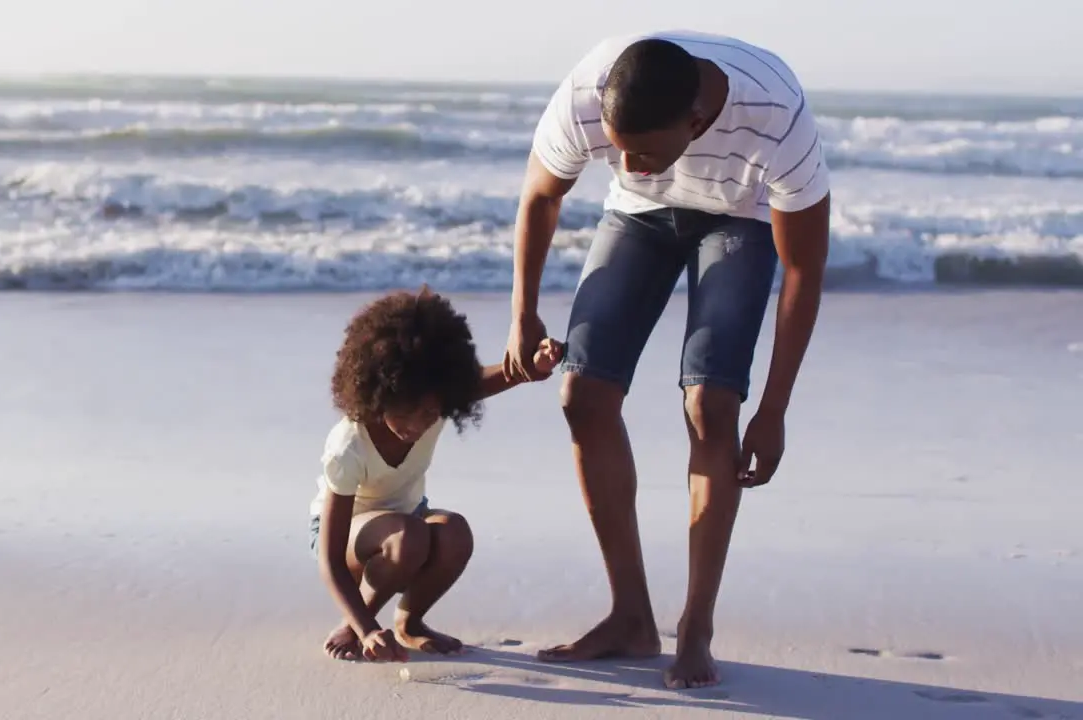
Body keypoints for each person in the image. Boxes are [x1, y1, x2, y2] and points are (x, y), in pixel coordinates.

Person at [502, 31, 831, 689]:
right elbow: (542, 196)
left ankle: (697, 627)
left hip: (740, 221)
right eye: (620, 152)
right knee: (582, 394)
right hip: (639, 222)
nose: (629, 163)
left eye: (646, 151)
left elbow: (804, 267)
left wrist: (772, 409)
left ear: (697, 121)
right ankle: (629, 615)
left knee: (712, 403)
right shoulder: (586, 97)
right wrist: (523, 315)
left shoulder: (775, 110)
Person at [312, 287, 562, 662]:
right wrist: (364, 629)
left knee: (454, 532)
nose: (419, 424)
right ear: (382, 391)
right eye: (410, 411)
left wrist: (532, 369)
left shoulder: (433, 399)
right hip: (348, 537)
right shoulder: (349, 445)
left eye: (431, 413)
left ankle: (410, 623)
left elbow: (489, 379)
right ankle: (358, 623)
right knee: (408, 536)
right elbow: (330, 560)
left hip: (408, 520)